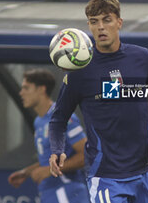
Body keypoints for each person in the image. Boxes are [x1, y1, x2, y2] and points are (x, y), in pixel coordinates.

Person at [49, 0, 148, 203]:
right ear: (89, 26)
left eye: (106, 20)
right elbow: (58, 119)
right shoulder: (79, 71)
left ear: (119, 22)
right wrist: (57, 149)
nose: (100, 27)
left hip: (141, 172)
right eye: (94, 22)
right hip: (105, 175)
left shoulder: (141, 57)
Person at [7, 69, 89, 203]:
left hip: (67, 193)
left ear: (41, 89)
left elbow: (85, 155)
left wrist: (49, 170)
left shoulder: (63, 117)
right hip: (49, 194)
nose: (21, 93)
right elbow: (49, 158)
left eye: (26, 88)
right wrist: (27, 172)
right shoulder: (38, 122)